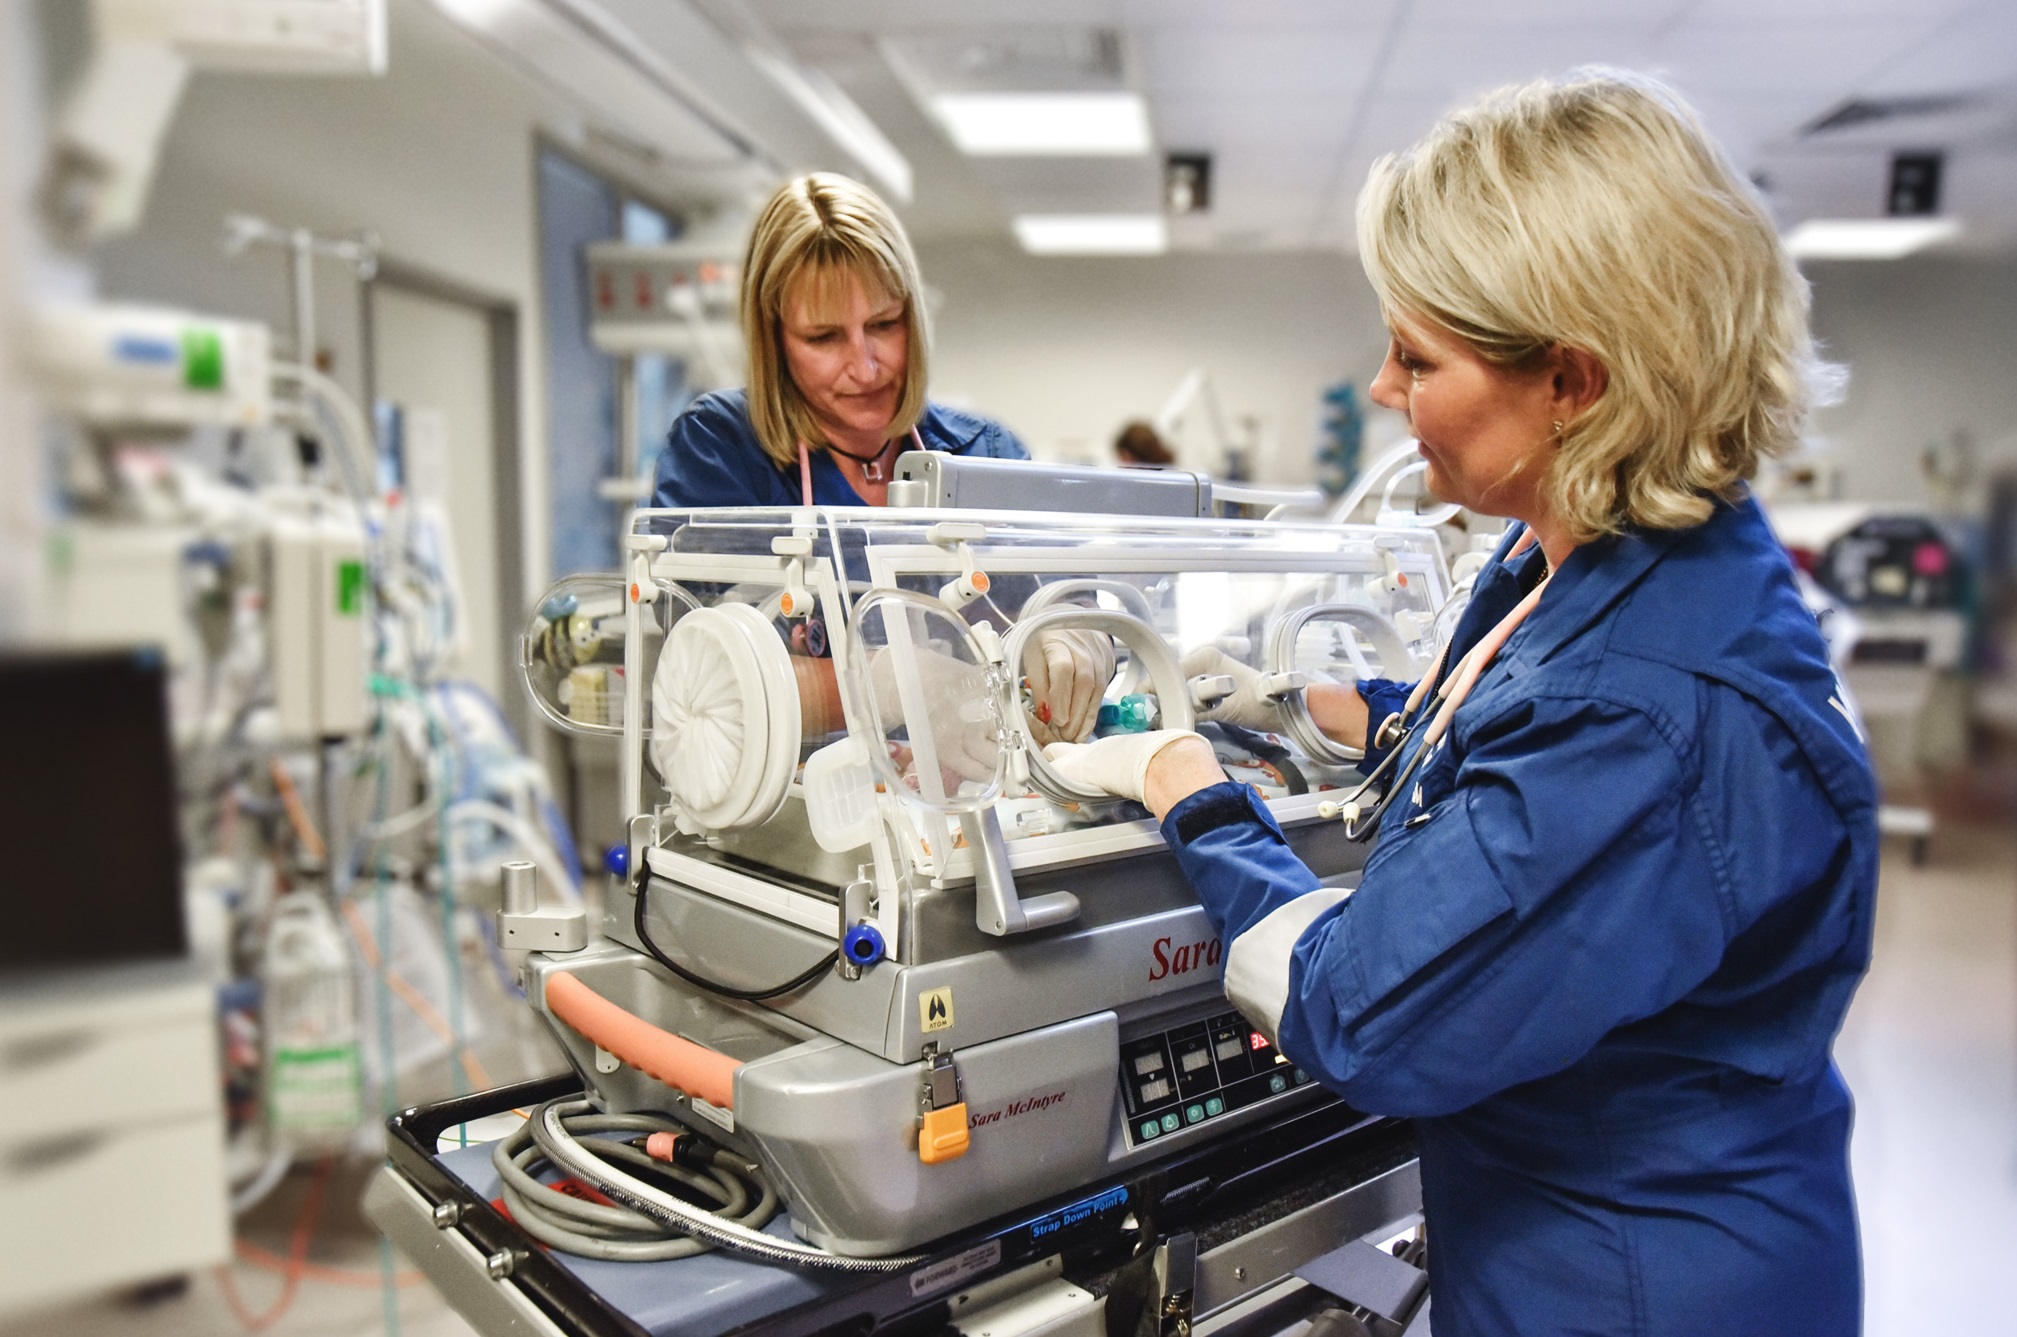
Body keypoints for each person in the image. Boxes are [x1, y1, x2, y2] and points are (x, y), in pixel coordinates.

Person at [1045, 71, 1875, 1336]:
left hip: (1637, 1281)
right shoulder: (1615, 547)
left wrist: (1189, 790)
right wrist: (1326, 706)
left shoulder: (1644, 716)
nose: (1382, 388)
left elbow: (1362, 1009)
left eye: (1417, 356)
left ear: (1573, 383)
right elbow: (1518, 717)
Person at [652, 172, 1109, 746]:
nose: (866, 367)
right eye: (823, 338)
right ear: (775, 339)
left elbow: (1068, 601)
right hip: (797, 812)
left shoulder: (984, 452)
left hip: (971, 803)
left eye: (883, 325)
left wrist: (1079, 639)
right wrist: (878, 683)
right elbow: (701, 678)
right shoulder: (719, 451)